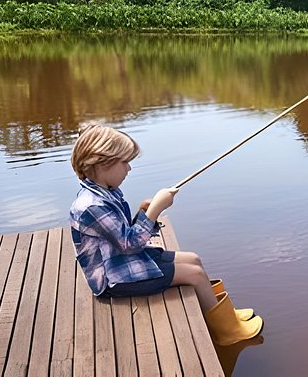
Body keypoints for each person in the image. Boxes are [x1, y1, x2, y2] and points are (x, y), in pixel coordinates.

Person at [69, 123, 262, 345]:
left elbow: (119, 235)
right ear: (102, 163)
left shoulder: (106, 192)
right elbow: (130, 244)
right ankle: (227, 332)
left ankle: (226, 315)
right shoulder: (90, 206)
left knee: (193, 259)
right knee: (194, 275)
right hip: (114, 280)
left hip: (120, 261)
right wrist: (154, 211)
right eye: (125, 162)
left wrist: (142, 210)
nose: (129, 169)